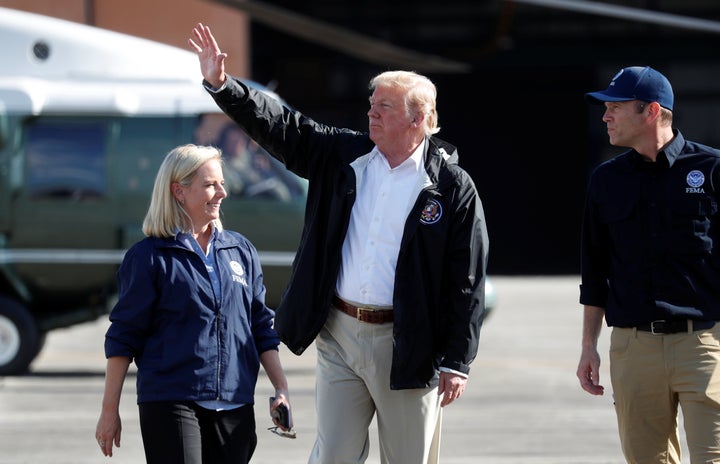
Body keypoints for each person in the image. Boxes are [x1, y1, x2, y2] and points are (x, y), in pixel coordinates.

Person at [189, 23, 489, 464]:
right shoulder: (344, 157)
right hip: (340, 336)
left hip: (409, 344)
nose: (371, 113)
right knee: (332, 457)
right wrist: (223, 86)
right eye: (371, 104)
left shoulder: (451, 187)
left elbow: (467, 279)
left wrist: (457, 361)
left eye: (384, 107)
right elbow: (284, 128)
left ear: (418, 118)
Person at [94, 144, 293, 463]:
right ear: (179, 191)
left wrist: (281, 389)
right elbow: (123, 338)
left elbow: (260, 327)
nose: (222, 193)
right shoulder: (148, 258)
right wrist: (109, 412)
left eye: (222, 184)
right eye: (210, 184)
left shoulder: (240, 251)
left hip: (235, 403)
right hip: (172, 401)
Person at [576, 66, 720, 463]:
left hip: (705, 345)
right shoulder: (605, 181)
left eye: (615, 107)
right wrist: (589, 345)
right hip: (633, 347)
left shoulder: (711, 170)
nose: (605, 116)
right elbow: (595, 269)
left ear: (651, 111)